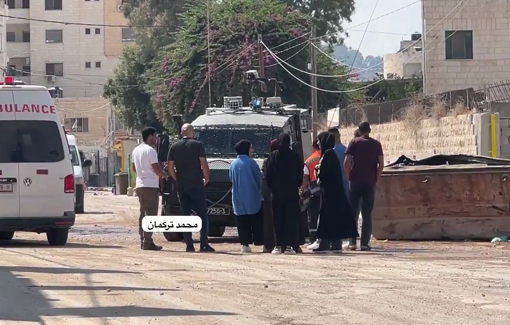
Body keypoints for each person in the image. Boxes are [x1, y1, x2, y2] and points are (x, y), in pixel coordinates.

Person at [167, 123, 215, 253]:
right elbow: (203, 164)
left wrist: (176, 178)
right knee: (202, 215)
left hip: (182, 185)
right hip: (196, 184)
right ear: (192, 132)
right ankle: (204, 244)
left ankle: (189, 245)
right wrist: (207, 177)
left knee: (185, 215)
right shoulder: (197, 145)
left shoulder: (174, 146)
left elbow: (170, 166)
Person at [314, 132, 357, 253]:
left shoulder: (328, 154)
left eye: (319, 141)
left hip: (330, 193)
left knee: (329, 217)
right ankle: (334, 242)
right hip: (332, 192)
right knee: (332, 217)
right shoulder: (329, 154)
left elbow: (324, 174)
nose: (318, 143)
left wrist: (318, 172)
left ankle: (327, 242)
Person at [344, 122, 384, 251]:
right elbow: (381, 164)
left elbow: (347, 162)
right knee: (367, 214)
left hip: (355, 182)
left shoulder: (354, 142)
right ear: (369, 130)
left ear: (359, 130)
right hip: (370, 182)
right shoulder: (376, 144)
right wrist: (376, 180)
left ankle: (352, 243)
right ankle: (365, 243)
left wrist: (348, 176)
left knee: (353, 213)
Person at [265, 133, 304, 255]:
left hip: (276, 195)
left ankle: (277, 245)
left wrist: (273, 188)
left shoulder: (273, 156)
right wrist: (296, 185)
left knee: (277, 220)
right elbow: (300, 174)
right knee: (290, 220)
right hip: (291, 194)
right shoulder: (295, 156)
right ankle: (289, 246)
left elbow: (268, 175)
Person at [131, 126, 168, 251]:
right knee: (151, 214)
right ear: (150, 136)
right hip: (150, 186)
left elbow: (134, 168)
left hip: (140, 185)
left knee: (143, 213)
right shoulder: (151, 151)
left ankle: (143, 239)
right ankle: (147, 242)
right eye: (155, 136)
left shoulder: (136, 150)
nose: (156, 139)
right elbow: (157, 169)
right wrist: (165, 175)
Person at [229, 140, 264, 254]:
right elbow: (259, 179)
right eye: (251, 148)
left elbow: (231, 179)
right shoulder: (252, 163)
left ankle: (245, 244)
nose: (252, 151)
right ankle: (259, 242)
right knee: (256, 221)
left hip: (238, 197)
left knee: (241, 221)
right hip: (252, 196)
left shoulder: (233, 164)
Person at [302, 139, 322, 250]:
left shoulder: (309, 160)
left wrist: (302, 190)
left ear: (313, 147)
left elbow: (305, 179)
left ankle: (313, 240)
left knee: (312, 217)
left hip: (313, 192)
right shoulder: (325, 156)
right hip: (325, 191)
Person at [261, 139, 279, 253]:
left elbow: (265, 175)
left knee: (269, 218)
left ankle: (269, 245)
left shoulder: (267, 160)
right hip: (282, 191)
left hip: (269, 191)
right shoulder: (285, 157)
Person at [328, 127, 350, 197]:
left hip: (335, 187)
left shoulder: (330, 153)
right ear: (339, 135)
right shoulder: (347, 150)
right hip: (347, 186)